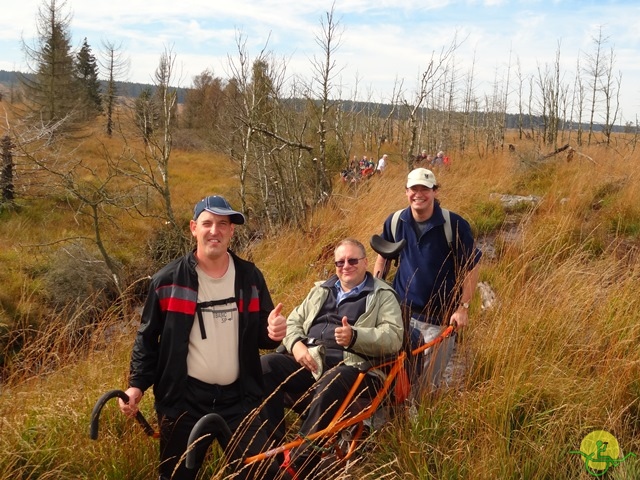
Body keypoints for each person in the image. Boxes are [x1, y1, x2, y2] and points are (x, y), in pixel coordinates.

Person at [118, 195, 286, 480]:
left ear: (232, 231)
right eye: (207, 223)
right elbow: (147, 339)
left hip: (240, 399)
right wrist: (136, 386)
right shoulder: (168, 281)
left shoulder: (250, 277)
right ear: (194, 228)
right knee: (176, 475)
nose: (215, 231)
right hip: (184, 401)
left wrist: (273, 333)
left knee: (260, 473)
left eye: (223, 224)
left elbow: (263, 336)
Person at [261, 238, 403, 479]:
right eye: (340, 262)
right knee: (265, 366)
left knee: (333, 379)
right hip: (311, 363)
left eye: (352, 260)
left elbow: (394, 337)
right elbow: (294, 322)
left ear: (365, 262)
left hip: (356, 370)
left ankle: (299, 464)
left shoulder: (382, 294)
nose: (345, 266)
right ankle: (273, 453)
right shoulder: (321, 289)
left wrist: (355, 336)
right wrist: (295, 345)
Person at [373, 168, 481, 392]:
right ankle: (397, 422)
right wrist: (376, 294)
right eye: (414, 189)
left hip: (439, 320)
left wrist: (463, 307)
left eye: (425, 189)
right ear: (406, 191)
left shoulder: (454, 224)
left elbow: (472, 266)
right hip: (399, 316)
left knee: (427, 386)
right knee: (396, 379)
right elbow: (383, 256)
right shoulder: (395, 221)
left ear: (435, 191)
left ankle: (420, 425)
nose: (418, 194)